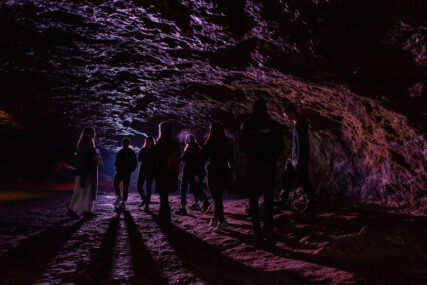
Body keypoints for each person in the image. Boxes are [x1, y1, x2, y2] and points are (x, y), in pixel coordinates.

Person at [239, 99, 284, 238]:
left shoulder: (246, 125)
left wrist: (248, 157)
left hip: (253, 165)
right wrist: (273, 159)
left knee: (253, 198)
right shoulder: (274, 125)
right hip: (267, 165)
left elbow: (242, 147)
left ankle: (256, 228)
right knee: (268, 197)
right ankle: (268, 227)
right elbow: (280, 146)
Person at [202, 122, 236, 233]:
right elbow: (231, 159)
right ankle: (216, 219)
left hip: (212, 171)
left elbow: (203, 158)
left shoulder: (209, 142)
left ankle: (222, 221)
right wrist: (233, 172)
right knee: (218, 196)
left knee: (216, 197)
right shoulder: (227, 143)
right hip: (223, 171)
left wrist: (199, 172)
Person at [281, 104, 313, 210]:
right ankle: (282, 203)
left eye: (287, 115)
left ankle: (310, 204)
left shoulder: (300, 125)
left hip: (299, 158)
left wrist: (299, 160)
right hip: (294, 157)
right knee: (287, 178)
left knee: (304, 181)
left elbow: (302, 143)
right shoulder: (297, 124)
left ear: (292, 113)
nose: (286, 118)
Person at [68, 127, 102, 219]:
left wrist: (95, 158)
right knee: (80, 190)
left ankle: (85, 210)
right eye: (91, 132)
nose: (92, 134)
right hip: (84, 171)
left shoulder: (88, 145)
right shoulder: (85, 145)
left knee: (86, 191)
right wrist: (93, 158)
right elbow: (84, 158)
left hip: (87, 171)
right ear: (86, 133)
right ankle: (73, 210)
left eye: (93, 132)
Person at [176, 134, 211, 215]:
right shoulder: (198, 149)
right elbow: (201, 161)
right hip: (194, 173)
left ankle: (183, 208)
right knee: (192, 189)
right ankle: (204, 201)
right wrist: (198, 173)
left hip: (187, 172)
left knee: (183, 190)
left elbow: (183, 158)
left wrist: (182, 152)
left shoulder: (188, 148)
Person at [153, 121, 180, 225]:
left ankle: (165, 216)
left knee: (163, 196)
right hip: (171, 172)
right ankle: (165, 216)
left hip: (162, 172)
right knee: (165, 195)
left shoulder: (160, 142)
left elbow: (156, 158)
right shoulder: (175, 142)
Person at [114, 137, 137, 209]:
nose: (125, 145)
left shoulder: (132, 153)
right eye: (124, 143)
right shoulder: (120, 152)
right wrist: (117, 168)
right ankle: (119, 196)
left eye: (126, 144)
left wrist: (130, 171)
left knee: (125, 187)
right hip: (119, 171)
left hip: (127, 172)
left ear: (128, 144)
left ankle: (123, 201)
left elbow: (134, 164)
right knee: (115, 183)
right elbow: (116, 161)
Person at [137, 136, 156, 212]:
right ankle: (144, 199)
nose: (147, 143)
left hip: (151, 170)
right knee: (138, 185)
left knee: (148, 188)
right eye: (146, 141)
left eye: (149, 141)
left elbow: (155, 160)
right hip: (143, 169)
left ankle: (147, 205)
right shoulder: (143, 149)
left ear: (152, 142)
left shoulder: (154, 150)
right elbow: (139, 159)